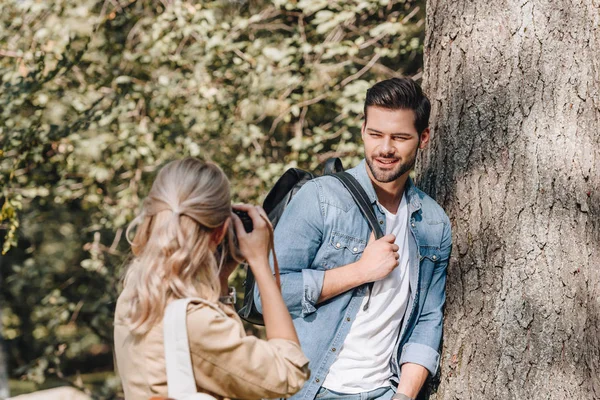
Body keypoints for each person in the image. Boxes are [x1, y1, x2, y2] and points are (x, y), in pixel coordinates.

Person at [256, 78, 452, 400]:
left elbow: (428, 319)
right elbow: (268, 294)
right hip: (313, 389)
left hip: (385, 392)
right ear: (363, 130)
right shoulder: (320, 198)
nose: (385, 148)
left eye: (400, 137)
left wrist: (404, 396)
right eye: (376, 134)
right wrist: (360, 272)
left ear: (423, 138)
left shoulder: (433, 223)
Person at [114, 158, 310, 400]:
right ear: (219, 232)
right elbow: (289, 372)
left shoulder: (137, 290)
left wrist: (221, 276)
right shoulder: (195, 321)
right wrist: (260, 262)